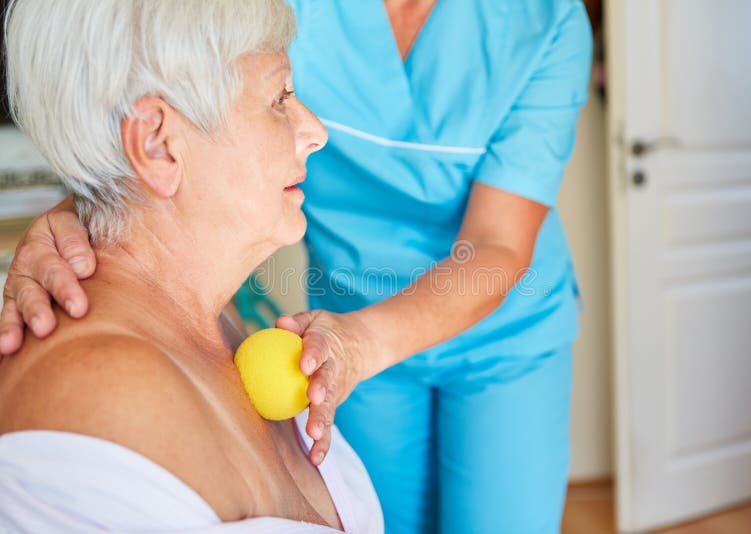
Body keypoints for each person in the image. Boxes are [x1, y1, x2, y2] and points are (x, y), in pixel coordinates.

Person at [1, 0, 593, 532]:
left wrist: (361, 344)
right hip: (345, 317)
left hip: (497, 331)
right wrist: (84, 205)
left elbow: (497, 242)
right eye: (284, 99)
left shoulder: (545, 21)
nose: (311, 130)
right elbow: (157, 95)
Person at [0, 1, 383, 532]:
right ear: (158, 144)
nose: (314, 131)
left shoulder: (212, 318)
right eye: (280, 98)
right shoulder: (105, 397)